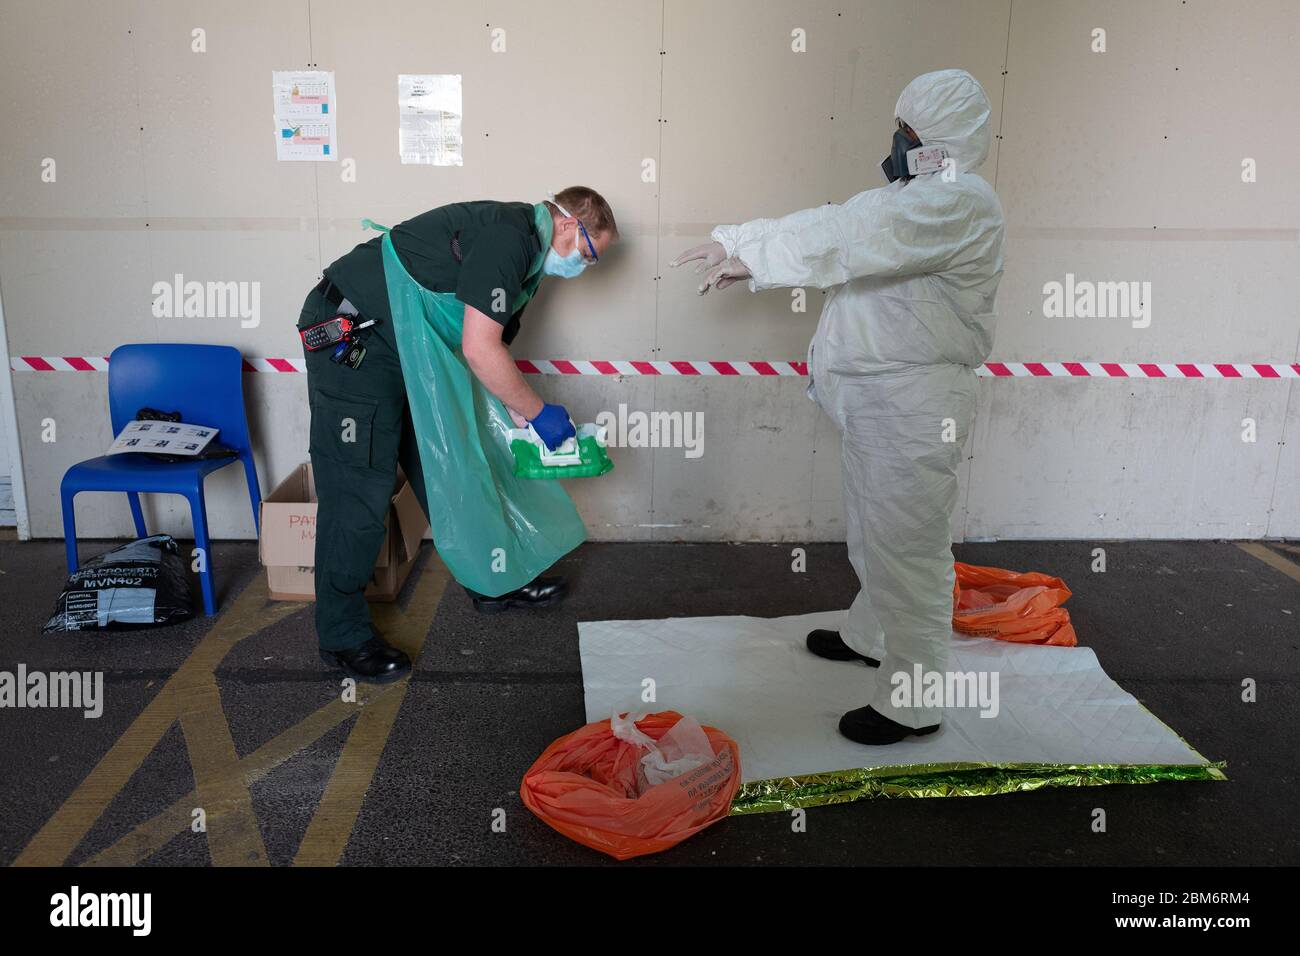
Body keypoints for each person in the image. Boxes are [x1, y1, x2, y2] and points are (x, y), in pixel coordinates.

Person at [672, 70, 1004, 744]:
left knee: (907, 548)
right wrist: (744, 243)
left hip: (913, 403)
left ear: (939, 141)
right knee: (877, 534)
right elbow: (842, 224)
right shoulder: (909, 196)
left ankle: (914, 701)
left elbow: (847, 240)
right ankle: (870, 634)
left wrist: (747, 248)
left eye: (909, 132)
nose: (898, 140)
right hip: (885, 398)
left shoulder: (954, 201)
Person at [298, 188, 618, 682]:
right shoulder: (508, 239)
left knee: (455, 458)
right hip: (355, 340)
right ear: (570, 224)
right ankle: (341, 636)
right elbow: (480, 349)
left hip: (407, 343)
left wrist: (512, 410)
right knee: (360, 487)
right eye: (589, 254)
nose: (585, 265)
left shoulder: (527, 263)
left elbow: (489, 343)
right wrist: (538, 414)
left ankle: (493, 578)